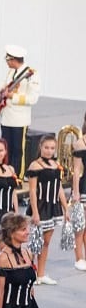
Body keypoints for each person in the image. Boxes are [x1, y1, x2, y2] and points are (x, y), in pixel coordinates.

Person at [0, 45, 40, 180]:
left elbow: (33, 98)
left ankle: (17, 176)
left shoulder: (31, 75)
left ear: (13, 60)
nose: (6, 62)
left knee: (17, 150)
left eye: (7, 60)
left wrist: (12, 97)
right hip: (7, 117)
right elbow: (2, 87)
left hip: (20, 119)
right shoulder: (11, 72)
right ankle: (4, 172)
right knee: (5, 148)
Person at [26, 134, 68, 285]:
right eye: (46, 148)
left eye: (52, 148)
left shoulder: (56, 165)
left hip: (53, 207)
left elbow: (59, 188)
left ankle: (41, 274)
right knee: (35, 243)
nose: (49, 151)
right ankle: (28, 274)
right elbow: (32, 191)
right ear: (40, 147)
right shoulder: (35, 166)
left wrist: (65, 208)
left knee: (46, 243)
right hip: (40, 207)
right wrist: (35, 212)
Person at [70, 116, 86, 271]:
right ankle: (79, 257)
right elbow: (76, 170)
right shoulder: (80, 143)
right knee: (80, 225)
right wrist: (76, 192)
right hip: (84, 187)